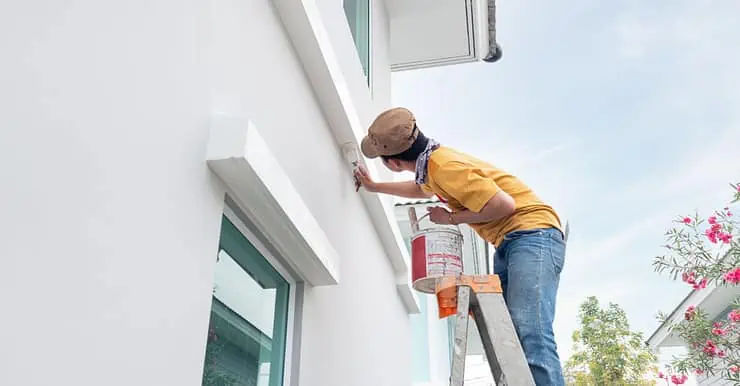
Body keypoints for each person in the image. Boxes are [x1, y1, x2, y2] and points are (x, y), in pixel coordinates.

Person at [353, 107, 567, 385]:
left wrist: (451, 218)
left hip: (531, 234)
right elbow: (420, 190)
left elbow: (504, 205)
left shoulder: (443, 166)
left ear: (392, 162)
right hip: (511, 239)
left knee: (531, 329)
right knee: (513, 333)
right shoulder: (433, 165)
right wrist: (375, 187)